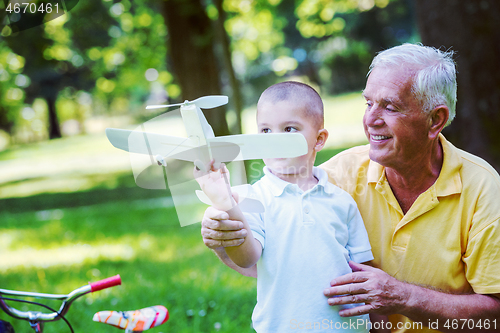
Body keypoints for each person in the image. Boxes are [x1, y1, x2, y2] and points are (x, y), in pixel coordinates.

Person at [200, 44, 500, 333]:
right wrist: (224, 236)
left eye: (390, 107)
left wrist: (406, 298)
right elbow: (274, 261)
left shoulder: (482, 189)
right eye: (368, 103)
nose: (370, 120)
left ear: (436, 120)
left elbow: (494, 319)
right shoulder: (334, 177)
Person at [194, 81, 379, 332]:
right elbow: (247, 257)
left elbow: (364, 271)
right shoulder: (252, 199)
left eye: (289, 129)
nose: (275, 140)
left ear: (319, 139)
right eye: (266, 131)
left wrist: (375, 322)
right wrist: (225, 202)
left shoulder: (341, 200)